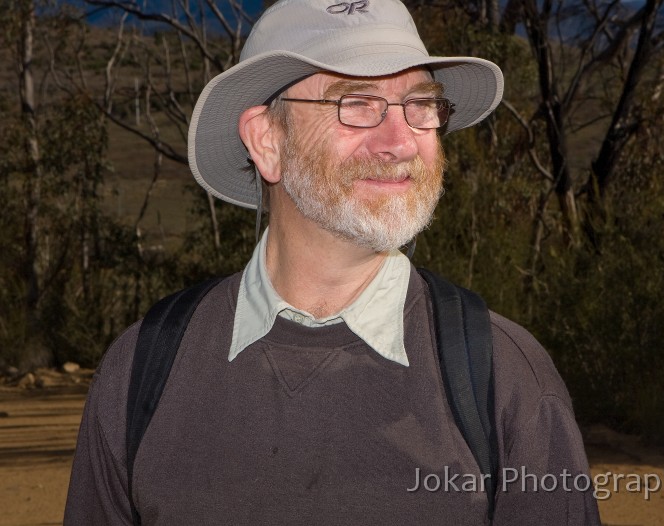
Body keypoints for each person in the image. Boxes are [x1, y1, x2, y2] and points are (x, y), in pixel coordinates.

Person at [65, 0, 601, 524]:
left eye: (420, 104)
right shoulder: (143, 367)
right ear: (267, 139)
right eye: (357, 103)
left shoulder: (502, 375)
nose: (401, 142)